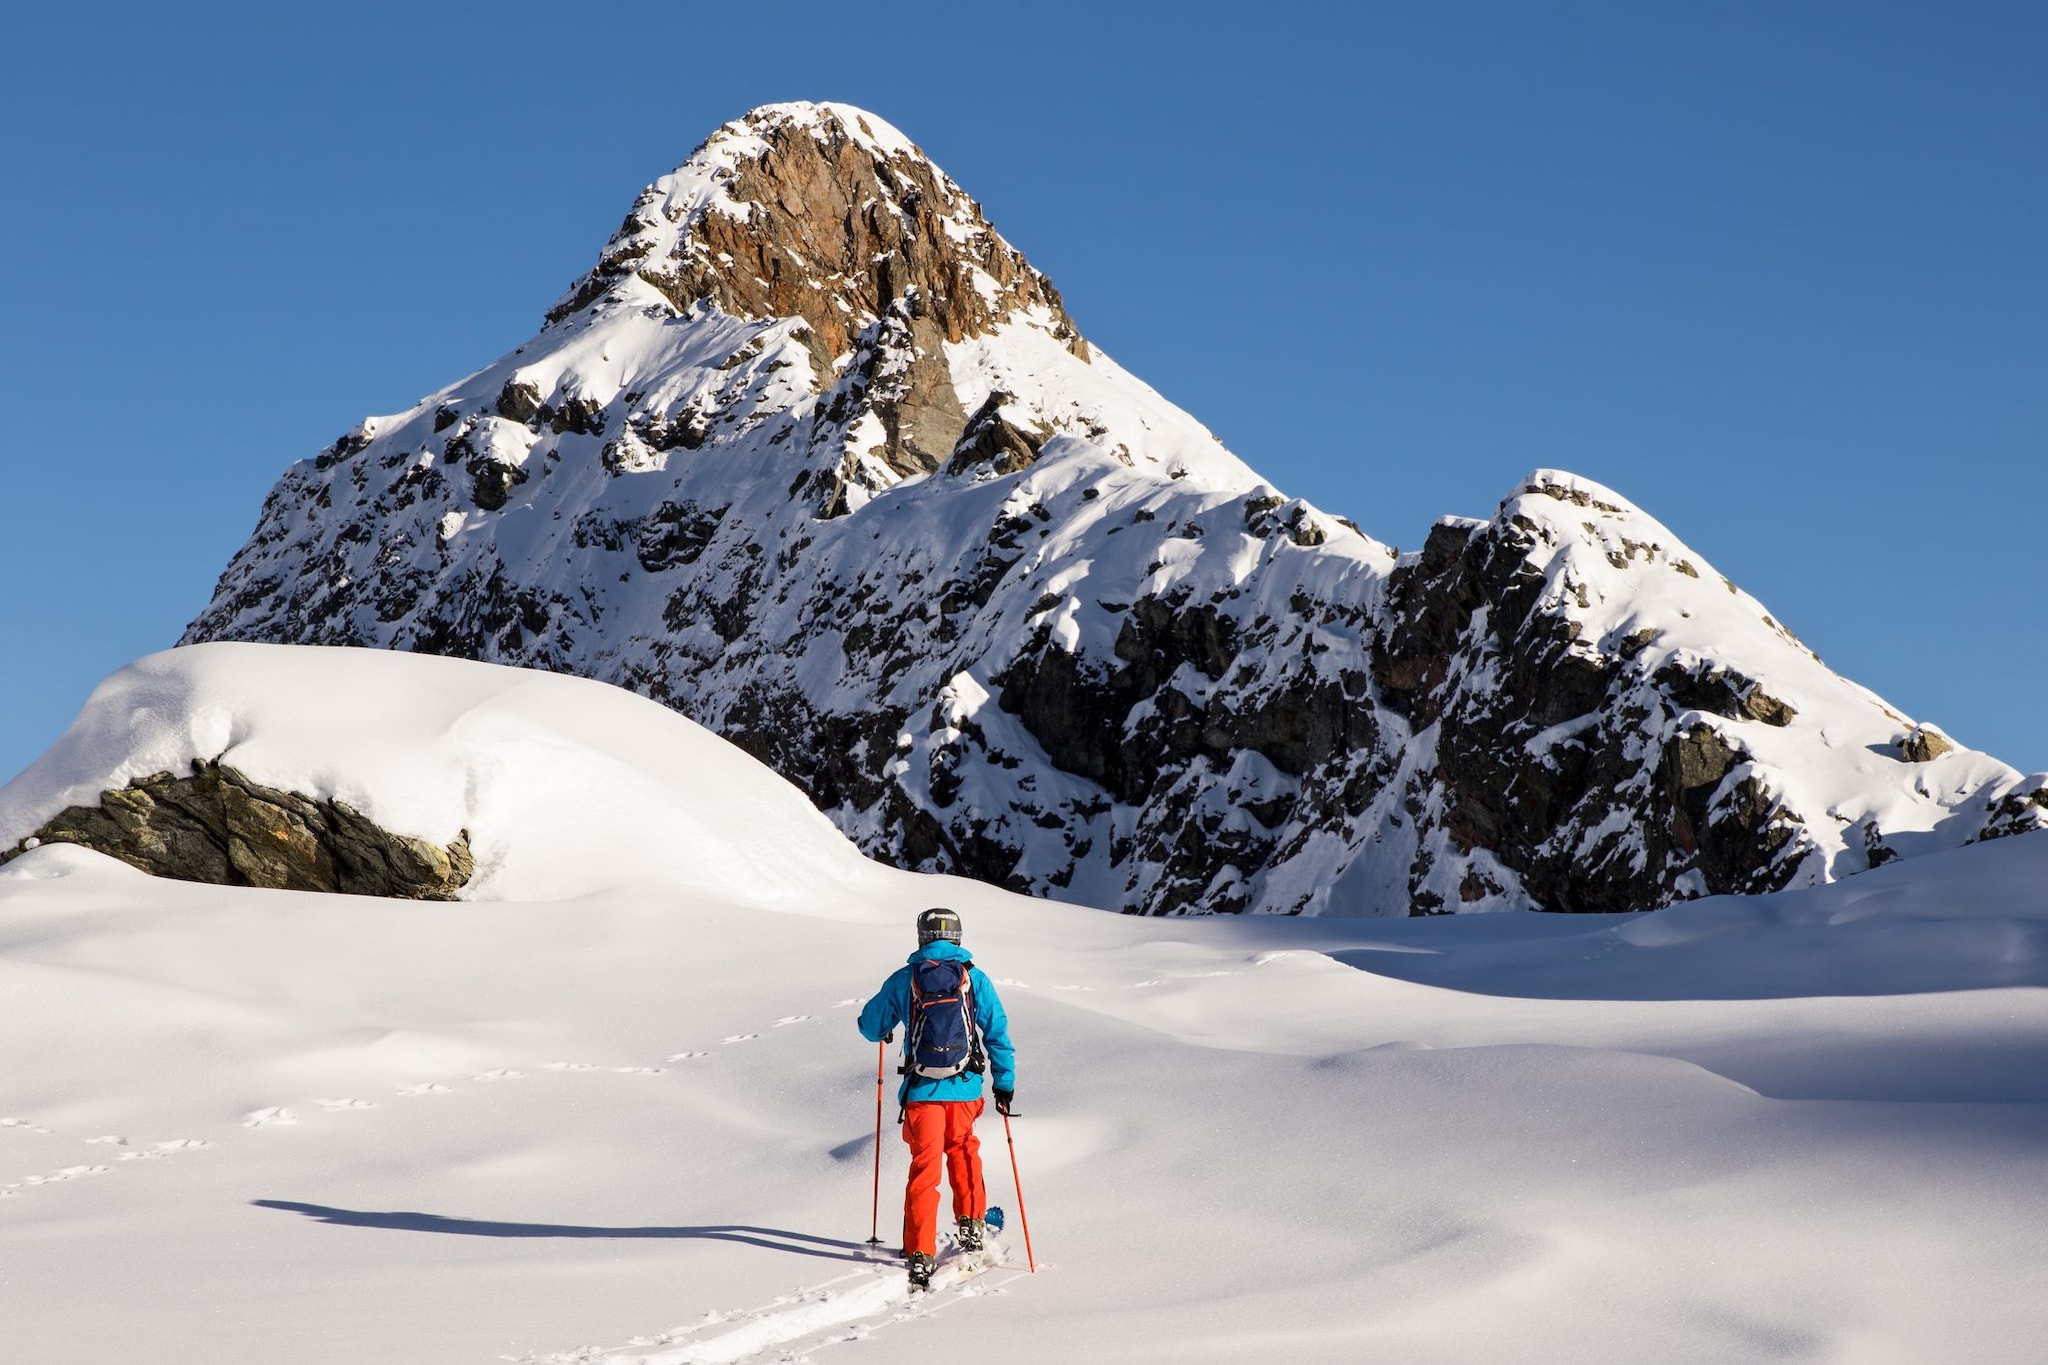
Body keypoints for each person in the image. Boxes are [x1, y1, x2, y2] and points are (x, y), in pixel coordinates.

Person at [857, 906, 1016, 1290]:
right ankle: (972, 1225)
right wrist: (1004, 1083)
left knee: (924, 1169)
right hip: (965, 1089)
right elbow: (997, 1031)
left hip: (922, 1090)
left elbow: (869, 1027)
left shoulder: (904, 979)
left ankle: (919, 1251)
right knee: (963, 1151)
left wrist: (889, 1028)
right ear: (957, 937)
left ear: (921, 937)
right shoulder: (974, 979)